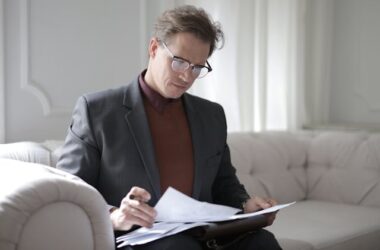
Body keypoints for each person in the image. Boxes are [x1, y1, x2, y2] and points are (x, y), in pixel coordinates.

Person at [57, 5, 282, 250]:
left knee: (263, 242)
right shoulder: (97, 110)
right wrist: (114, 215)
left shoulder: (211, 115)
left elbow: (224, 182)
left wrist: (246, 205)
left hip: (203, 236)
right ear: (154, 48)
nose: (187, 76)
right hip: (139, 239)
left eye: (197, 67)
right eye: (179, 62)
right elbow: (71, 192)